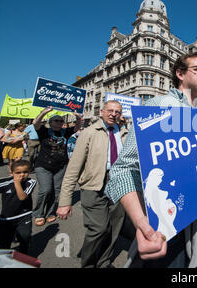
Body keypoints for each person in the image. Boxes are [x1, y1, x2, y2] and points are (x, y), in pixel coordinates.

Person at [104, 52, 197, 268]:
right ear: (180, 74)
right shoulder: (158, 106)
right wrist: (143, 225)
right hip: (172, 224)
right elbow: (123, 169)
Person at [57, 100, 127, 268]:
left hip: (118, 183)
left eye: (117, 112)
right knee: (99, 228)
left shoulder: (125, 133)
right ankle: (88, 264)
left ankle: (104, 262)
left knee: (114, 227)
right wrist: (65, 201)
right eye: (110, 110)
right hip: (93, 185)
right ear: (101, 112)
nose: (113, 114)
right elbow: (73, 168)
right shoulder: (88, 132)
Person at [32, 108, 81, 227]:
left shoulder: (65, 132)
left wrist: (77, 117)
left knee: (56, 190)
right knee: (45, 189)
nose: (59, 123)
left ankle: (50, 212)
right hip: (43, 165)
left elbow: (77, 126)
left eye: (61, 121)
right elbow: (35, 123)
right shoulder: (43, 131)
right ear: (50, 122)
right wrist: (44, 112)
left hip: (60, 166)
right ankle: (38, 213)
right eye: (57, 120)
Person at [0, 160, 36, 254]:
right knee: (4, 244)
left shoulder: (31, 182)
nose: (22, 175)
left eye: (25, 172)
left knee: (25, 237)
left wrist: (16, 182)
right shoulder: (6, 183)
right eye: (18, 172)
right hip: (6, 218)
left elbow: (22, 197)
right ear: (12, 173)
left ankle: (23, 256)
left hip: (24, 216)